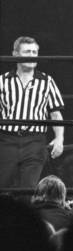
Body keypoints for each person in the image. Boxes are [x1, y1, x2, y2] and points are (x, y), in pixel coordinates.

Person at [0, 36, 64, 189]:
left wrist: (59, 138)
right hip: (6, 140)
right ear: (15, 54)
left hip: (34, 142)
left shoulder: (46, 81)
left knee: (28, 190)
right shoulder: (2, 81)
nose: (32, 55)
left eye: (35, 52)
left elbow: (55, 114)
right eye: (27, 51)